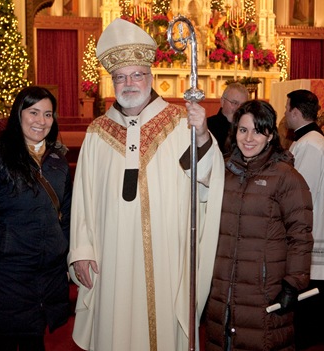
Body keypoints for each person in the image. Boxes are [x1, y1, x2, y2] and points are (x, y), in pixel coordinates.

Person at [68, 18, 225, 351]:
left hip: (166, 255)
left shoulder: (181, 123)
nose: (129, 83)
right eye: (120, 77)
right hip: (109, 258)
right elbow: (81, 197)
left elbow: (207, 180)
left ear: (151, 77)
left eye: (137, 74)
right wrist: (81, 251)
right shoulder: (97, 132)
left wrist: (202, 138)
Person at [0, 86, 72, 351]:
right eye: (33, 112)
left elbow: (66, 218)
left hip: (47, 275)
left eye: (47, 114)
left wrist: (65, 259)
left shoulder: (57, 163)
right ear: (18, 114)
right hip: (7, 275)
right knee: (7, 341)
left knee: (35, 340)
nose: (41, 121)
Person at [204, 100, 313, 350]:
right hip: (223, 287)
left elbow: (301, 235)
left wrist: (293, 283)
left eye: (258, 130)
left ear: (271, 135)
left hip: (264, 290)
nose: (249, 138)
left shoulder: (287, 178)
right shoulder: (223, 170)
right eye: (243, 130)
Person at [284, 89, 324, 350]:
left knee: (309, 312)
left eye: (287, 110)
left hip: (312, 231)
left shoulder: (311, 144)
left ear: (296, 113)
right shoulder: (308, 140)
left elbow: (299, 193)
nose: (285, 114)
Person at [207, 82, 248, 154]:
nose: (238, 108)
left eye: (243, 105)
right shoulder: (207, 126)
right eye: (234, 103)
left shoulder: (248, 129)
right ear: (222, 102)